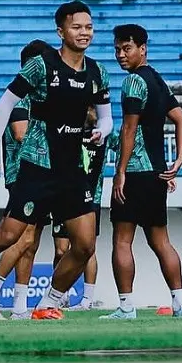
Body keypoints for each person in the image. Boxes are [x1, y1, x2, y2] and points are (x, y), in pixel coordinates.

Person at [0, 1, 112, 323]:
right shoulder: (41, 66)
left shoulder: (97, 72)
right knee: (8, 235)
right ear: (61, 31)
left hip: (72, 169)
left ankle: (47, 303)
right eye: (76, 27)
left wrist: (102, 130)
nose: (84, 32)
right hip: (38, 165)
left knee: (85, 245)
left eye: (88, 27)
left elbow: (107, 117)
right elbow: (4, 105)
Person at [102, 24, 182, 320]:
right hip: (157, 174)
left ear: (143, 49)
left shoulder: (133, 82)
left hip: (135, 172)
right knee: (161, 241)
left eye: (126, 48)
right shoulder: (157, 79)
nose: (120, 55)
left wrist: (120, 172)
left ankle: (127, 306)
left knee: (122, 240)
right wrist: (177, 161)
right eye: (117, 49)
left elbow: (129, 129)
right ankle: (180, 306)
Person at [0, 40, 53, 320]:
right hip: (24, 175)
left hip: (42, 175)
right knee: (21, 238)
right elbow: (21, 133)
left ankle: (20, 304)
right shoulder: (23, 99)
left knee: (31, 242)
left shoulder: (40, 98)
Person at [52, 105, 108, 311]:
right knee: (61, 249)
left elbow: (124, 145)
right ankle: (61, 296)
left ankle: (87, 299)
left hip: (92, 197)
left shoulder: (102, 134)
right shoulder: (66, 130)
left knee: (88, 249)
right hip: (64, 196)